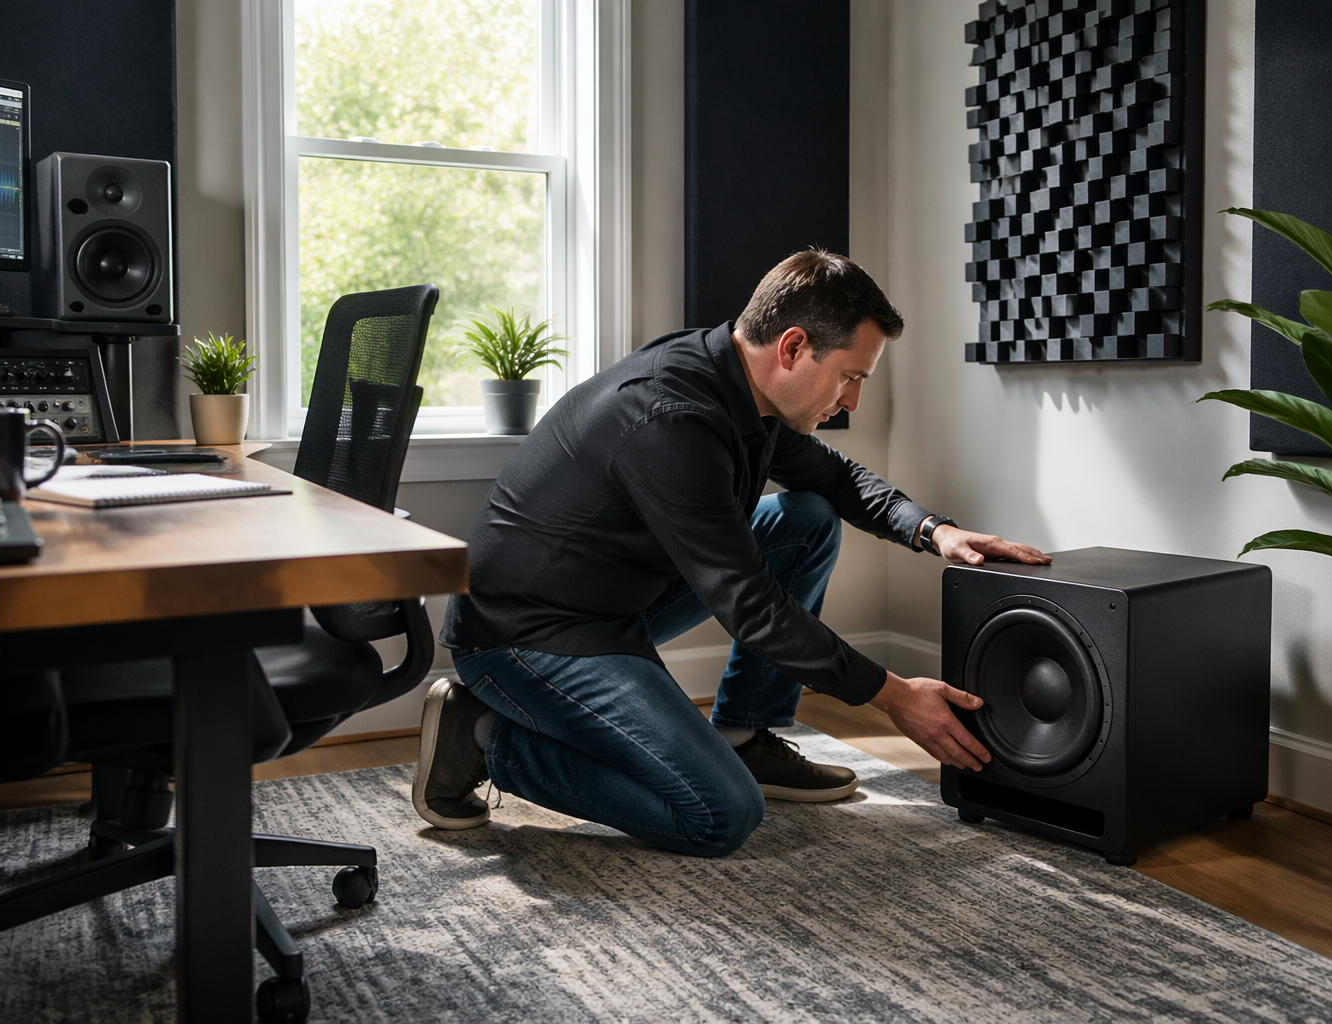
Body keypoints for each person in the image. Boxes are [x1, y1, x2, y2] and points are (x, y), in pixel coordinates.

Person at [416, 250, 1049, 856]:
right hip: (526, 636)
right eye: (851, 377)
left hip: (611, 603)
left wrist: (935, 531)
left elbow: (835, 481)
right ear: (794, 347)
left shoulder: (744, 387)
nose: (852, 400)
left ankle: (744, 734)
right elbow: (755, 610)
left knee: (804, 518)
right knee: (719, 813)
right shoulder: (673, 417)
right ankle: (480, 736)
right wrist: (893, 694)